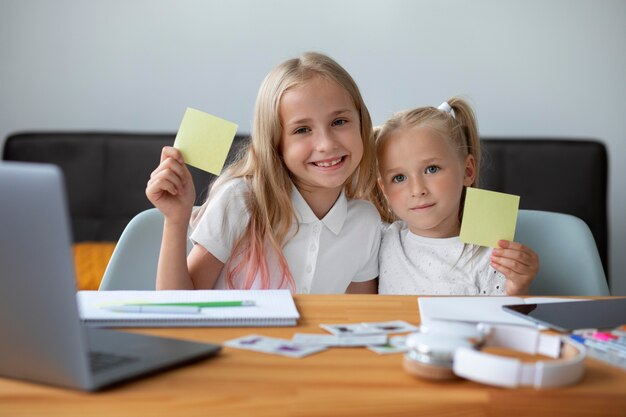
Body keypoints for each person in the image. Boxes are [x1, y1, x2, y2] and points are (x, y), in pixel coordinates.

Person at [146, 52, 381, 293]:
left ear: (362, 123)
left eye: (339, 122)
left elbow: (360, 319)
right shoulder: (240, 201)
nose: (326, 144)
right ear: (275, 142)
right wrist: (176, 221)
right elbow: (178, 305)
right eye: (302, 130)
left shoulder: (365, 222)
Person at [373, 97, 539, 295]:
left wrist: (517, 289)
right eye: (399, 177)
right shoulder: (380, 240)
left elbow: (505, 320)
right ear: (384, 189)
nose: (417, 190)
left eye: (432, 169)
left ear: (468, 171)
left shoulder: (490, 256)